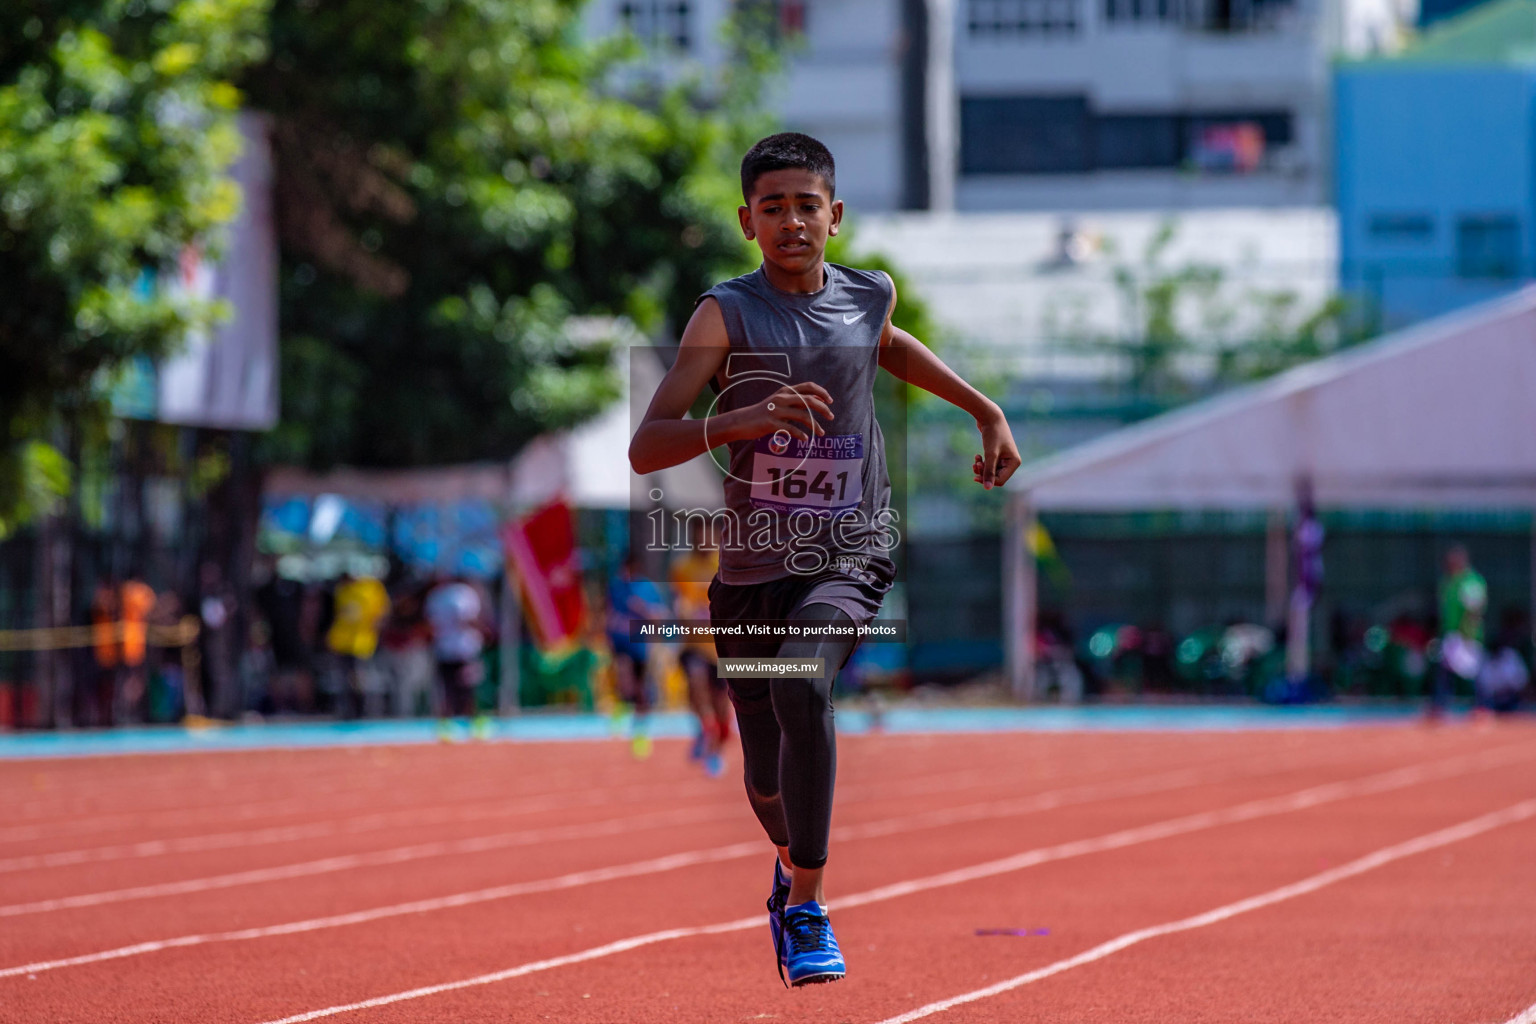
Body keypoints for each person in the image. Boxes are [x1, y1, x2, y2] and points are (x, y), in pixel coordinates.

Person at [628, 133, 1019, 987]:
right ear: (747, 221)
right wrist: (741, 419)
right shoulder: (724, 315)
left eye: (808, 205)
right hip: (749, 570)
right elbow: (647, 446)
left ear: (834, 217)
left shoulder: (866, 297)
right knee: (764, 771)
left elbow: (888, 345)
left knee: (805, 681)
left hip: (852, 546)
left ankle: (806, 904)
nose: (792, 221)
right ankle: (785, 863)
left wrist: (982, 408)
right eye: (774, 208)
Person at [670, 539, 732, 776]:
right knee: (695, 685)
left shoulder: (726, 565)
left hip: (722, 649)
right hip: (694, 645)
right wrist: (683, 613)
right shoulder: (682, 567)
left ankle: (715, 748)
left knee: (722, 709)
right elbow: (679, 601)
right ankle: (705, 728)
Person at [605, 554, 670, 759]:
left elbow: (661, 616)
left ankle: (640, 732)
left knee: (642, 690)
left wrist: (643, 610)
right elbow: (609, 613)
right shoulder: (616, 587)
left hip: (641, 645)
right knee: (625, 678)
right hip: (622, 642)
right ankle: (621, 707)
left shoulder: (647, 588)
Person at [425, 576, 487, 739]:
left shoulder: (453, 595)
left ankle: (469, 724)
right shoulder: (453, 595)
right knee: (453, 689)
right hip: (453, 649)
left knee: (465, 689)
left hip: (462, 649)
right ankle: (451, 724)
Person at [1432, 544, 1487, 717]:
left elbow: (1474, 610)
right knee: (1444, 670)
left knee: (1474, 671)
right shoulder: (1448, 581)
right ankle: (1439, 705)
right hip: (1450, 633)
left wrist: (1469, 633)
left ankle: (1483, 706)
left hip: (1467, 634)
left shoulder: (1471, 580)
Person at [326, 572, 390, 719]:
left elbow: (381, 613)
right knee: (344, 680)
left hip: (362, 642)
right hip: (342, 642)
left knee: (362, 679)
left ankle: (366, 712)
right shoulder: (342, 590)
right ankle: (348, 712)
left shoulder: (372, 588)